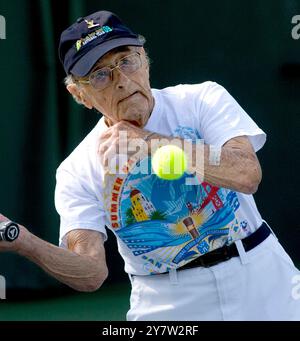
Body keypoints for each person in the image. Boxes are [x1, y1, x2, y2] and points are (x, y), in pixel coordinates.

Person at [0, 9, 299, 321]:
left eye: (126, 60)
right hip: (169, 305)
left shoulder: (201, 100)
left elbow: (246, 174)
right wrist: (21, 240)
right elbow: (90, 273)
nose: (121, 81)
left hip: (264, 279)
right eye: (100, 75)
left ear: (145, 59)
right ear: (79, 94)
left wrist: (150, 142)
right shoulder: (77, 170)